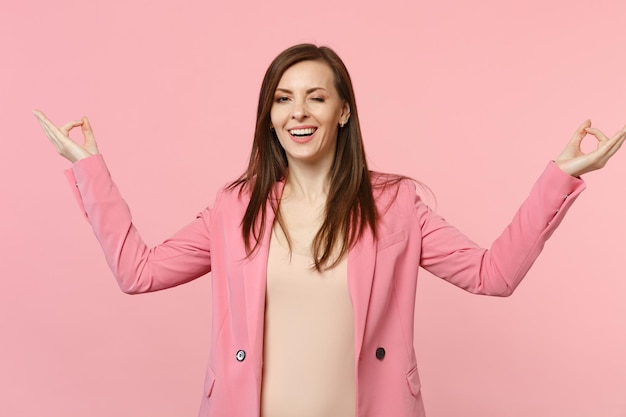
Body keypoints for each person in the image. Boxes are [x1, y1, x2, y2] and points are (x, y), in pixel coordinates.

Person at [33, 43, 625, 417]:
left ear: (343, 112)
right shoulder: (233, 208)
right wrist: (89, 168)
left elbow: (490, 274)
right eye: (283, 99)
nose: (299, 112)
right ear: (268, 116)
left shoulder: (394, 205)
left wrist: (560, 178)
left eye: (316, 97)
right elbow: (139, 272)